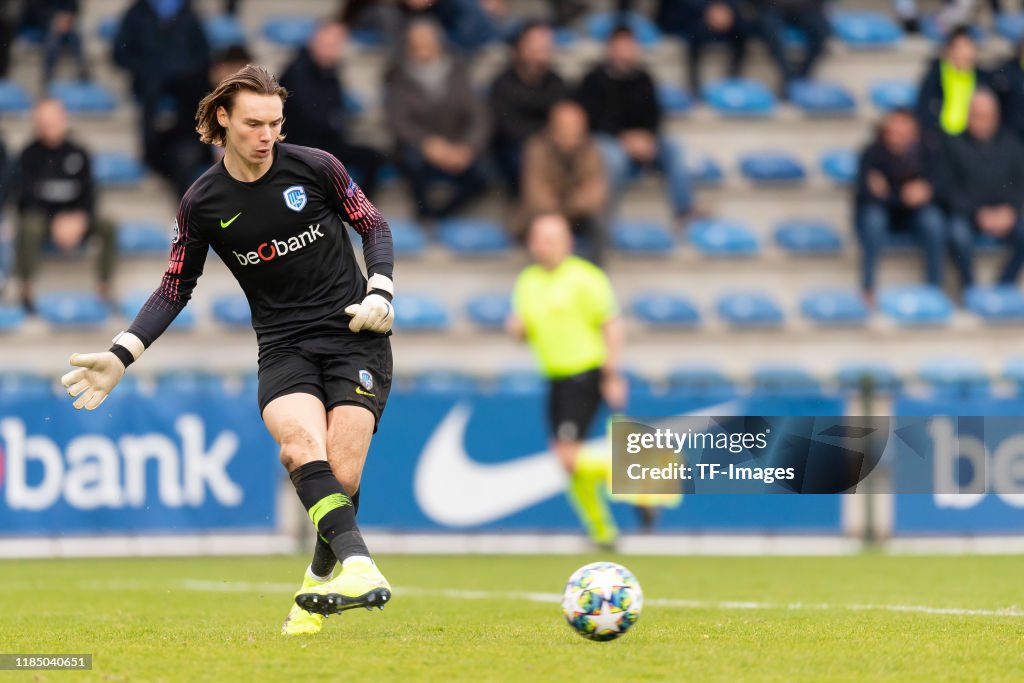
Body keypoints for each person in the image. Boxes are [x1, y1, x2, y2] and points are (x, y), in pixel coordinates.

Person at [59, 65, 396, 636]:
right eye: (254, 123)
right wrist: (121, 353)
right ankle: (360, 567)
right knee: (298, 447)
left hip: (352, 335)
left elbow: (374, 225)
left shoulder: (316, 167)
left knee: (342, 471)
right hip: (283, 348)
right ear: (223, 119)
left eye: (276, 123)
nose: (267, 135)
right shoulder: (203, 202)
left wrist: (380, 287)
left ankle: (316, 585)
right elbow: (174, 285)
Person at [506, 212, 626, 547]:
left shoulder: (586, 278)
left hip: (584, 374)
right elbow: (523, 329)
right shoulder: (528, 280)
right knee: (567, 461)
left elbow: (611, 324)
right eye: (539, 239)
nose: (543, 246)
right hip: (555, 378)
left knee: (567, 456)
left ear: (567, 243)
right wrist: (517, 329)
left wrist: (612, 374)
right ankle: (602, 531)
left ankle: (635, 478)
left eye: (551, 239)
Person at [577, 24, 695, 227]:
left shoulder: (644, 78)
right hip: (607, 140)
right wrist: (624, 138)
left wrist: (648, 137)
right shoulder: (593, 79)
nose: (626, 50)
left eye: (630, 45)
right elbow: (592, 118)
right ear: (610, 48)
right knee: (613, 156)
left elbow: (655, 114)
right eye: (621, 45)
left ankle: (684, 213)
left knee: (673, 149)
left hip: (642, 141)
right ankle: (604, 220)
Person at [12, 98, 115, 313]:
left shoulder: (79, 152)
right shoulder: (28, 155)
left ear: (63, 119)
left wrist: (79, 219)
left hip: (76, 219)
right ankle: (26, 289)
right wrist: (56, 221)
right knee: (29, 226)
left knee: (108, 225)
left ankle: (104, 288)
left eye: (52, 121)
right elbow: (25, 199)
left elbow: (89, 194)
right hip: (43, 221)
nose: (48, 127)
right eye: (43, 122)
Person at [385, 18, 490, 220]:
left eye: (428, 43)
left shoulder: (459, 71)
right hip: (418, 146)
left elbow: (478, 115)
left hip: (457, 144)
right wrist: (428, 144)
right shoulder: (397, 75)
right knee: (412, 165)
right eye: (417, 44)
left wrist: (468, 146)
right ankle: (424, 216)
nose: (423, 49)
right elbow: (398, 121)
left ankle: (443, 215)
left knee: (483, 175)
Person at [280, 20, 387, 199]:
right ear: (313, 41)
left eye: (337, 45)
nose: (333, 50)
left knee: (375, 157)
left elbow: (331, 110)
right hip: (300, 146)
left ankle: (356, 209)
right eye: (328, 44)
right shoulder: (298, 71)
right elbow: (311, 117)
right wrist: (338, 119)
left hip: (325, 143)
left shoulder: (329, 71)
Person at [854, 108, 945, 304]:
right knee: (873, 219)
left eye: (902, 130)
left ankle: (935, 287)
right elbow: (866, 195)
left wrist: (926, 191)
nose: (896, 134)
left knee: (933, 220)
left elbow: (938, 187)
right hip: (881, 216)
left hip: (913, 216)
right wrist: (903, 196)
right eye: (892, 129)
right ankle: (868, 287)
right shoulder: (871, 153)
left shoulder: (928, 152)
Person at [938, 90, 1024, 289]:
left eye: (988, 116)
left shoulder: (1012, 144)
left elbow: (1020, 183)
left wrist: (1010, 210)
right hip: (967, 215)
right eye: (978, 115)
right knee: (957, 235)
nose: (983, 121)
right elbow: (947, 189)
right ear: (968, 115)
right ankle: (970, 288)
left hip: (1004, 213)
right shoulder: (952, 144)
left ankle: (1003, 288)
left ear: (997, 117)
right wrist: (977, 213)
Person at [517, 101, 608, 263]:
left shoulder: (592, 149)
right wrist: (562, 214)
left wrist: (567, 208)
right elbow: (537, 196)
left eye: (577, 124)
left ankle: (594, 272)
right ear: (553, 126)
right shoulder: (536, 148)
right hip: (546, 216)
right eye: (566, 125)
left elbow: (595, 195)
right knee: (543, 228)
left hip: (577, 217)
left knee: (599, 225)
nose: (573, 129)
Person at [488, 20, 570, 197]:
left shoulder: (557, 83)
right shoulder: (502, 84)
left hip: (551, 147)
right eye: (536, 43)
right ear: (520, 46)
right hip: (515, 149)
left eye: (546, 44)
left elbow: (564, 121)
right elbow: (506, 126)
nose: (543, 48)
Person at [915, 26, 987, 151]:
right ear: (949, 50)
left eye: (969, 47)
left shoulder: (984, 78)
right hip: (940, 138)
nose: (965, 53)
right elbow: (923, 109)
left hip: (973, 141)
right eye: (960, 47)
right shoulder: (935, 75)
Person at [754, 0, 829, 96]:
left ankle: (802, 77)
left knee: (821, 31)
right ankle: (790, 78)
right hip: (772, 7)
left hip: (807, 7)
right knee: (770, 30)